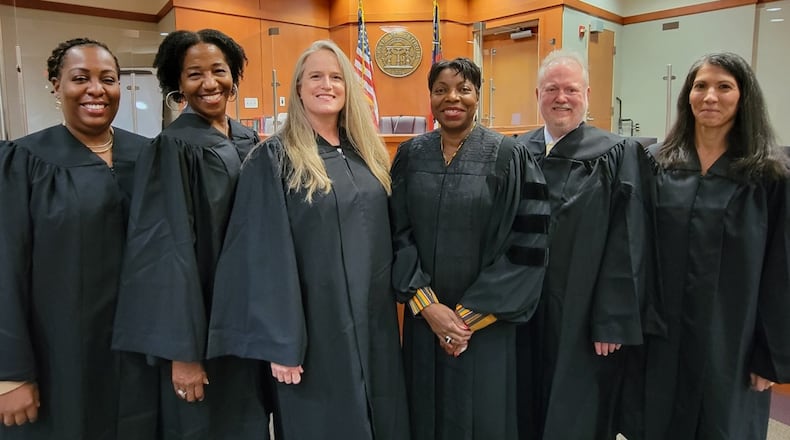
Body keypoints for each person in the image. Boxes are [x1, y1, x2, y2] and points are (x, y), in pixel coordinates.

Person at [206, 39, 410, 440]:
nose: (326, 84)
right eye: (315, 76)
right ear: (298, 87)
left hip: (375, 326)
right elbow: (262, 255)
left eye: (336, 77)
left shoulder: (365, 154)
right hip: (315, 332)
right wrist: (280, 342)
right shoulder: (275, 159)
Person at [111, 29, 269, 439]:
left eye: (219, 70)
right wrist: (182, 353)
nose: (209, 82)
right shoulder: (171, 147)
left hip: (249, 322)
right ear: (176, 83)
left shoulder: (247, 139)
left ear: (234, 74)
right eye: (194, 74)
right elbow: (166, 252)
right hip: (202, 326)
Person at [0, 38, 157, 439]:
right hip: (59, 352)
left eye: (108, 79)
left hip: (142, 353)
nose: (96, 89)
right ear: (55, 84)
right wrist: (10, 372)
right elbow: (5, 266)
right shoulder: (23, 161)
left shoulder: (149, 156)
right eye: (80, 78)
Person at [629, 52, 790, 440]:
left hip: (731, 338)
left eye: (724, 87)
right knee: (658, 422)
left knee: (722, 425)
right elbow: (638, 250)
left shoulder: (769, 174)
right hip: (663, 331)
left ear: (743, 96)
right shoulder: (658, 164)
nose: (710, 97)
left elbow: (781, 268)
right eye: (700, 86)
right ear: (687, 95)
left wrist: (770, 354)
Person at [390, 57, 549, 440]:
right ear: (430, 96)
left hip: (485, 327)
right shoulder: (410, 155)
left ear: (478, 94)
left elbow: (528, 243)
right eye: (441, 89)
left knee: (484, 419)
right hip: (424, 321)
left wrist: (464, 322)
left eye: (463, 89)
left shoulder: (509, 156)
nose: (452, 98)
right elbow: (396, 231)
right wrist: (428, 307)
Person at [514, 49, 649, 439]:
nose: (561, 97)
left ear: (587, 94)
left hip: (583, 310)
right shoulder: (514, 151)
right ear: (537, 93)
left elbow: (629, 240)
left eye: (571, 89)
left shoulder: (617, 153)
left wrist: (613, 318)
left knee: (577, 404)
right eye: (552, 88)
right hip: (521, 305)